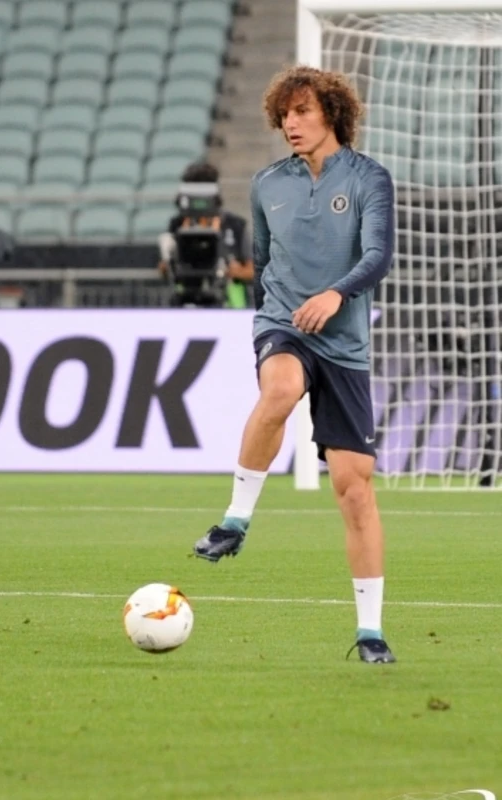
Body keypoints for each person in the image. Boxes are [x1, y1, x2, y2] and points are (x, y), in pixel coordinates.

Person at [190, 66, 397, 664]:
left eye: (302, 111)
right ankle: (235, 519)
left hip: (345, 343)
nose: (290, 123)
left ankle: (370, 632)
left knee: (353, 489)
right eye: (284, 114)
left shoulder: (367, 180)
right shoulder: (266, 184)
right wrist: (268, 325)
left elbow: (379, 253)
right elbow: (260, 259)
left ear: (331, 113)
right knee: (278, 390)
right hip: (283, 323)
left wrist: (336, 294)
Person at [157, 161, 256, 308]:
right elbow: (165, 270)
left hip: (227, 305)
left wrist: (231, 271)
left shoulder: (235, 225)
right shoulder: (178, 224)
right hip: (185, 302)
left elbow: (252, 271)